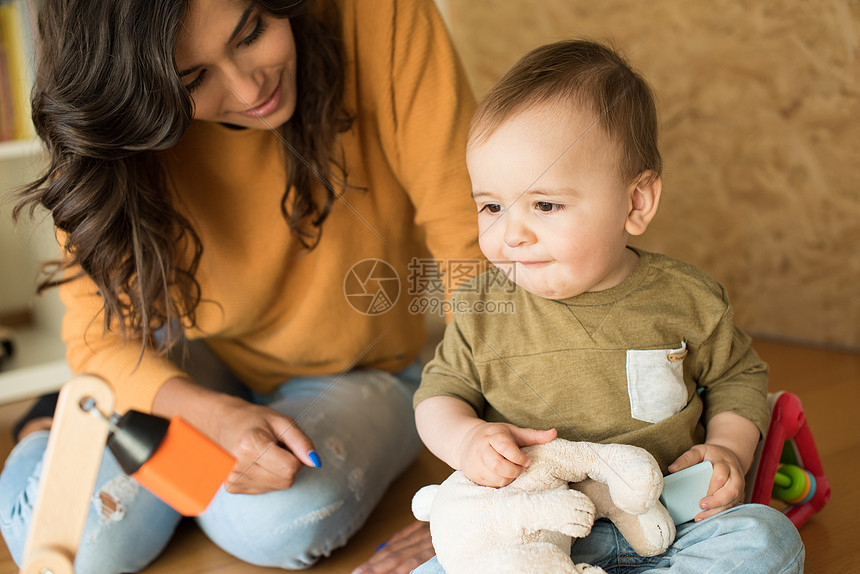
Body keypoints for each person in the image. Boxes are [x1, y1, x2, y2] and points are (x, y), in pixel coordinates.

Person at [0, 0, 482, 572]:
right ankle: (59, 420)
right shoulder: (107, 129)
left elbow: (473, 249)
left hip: (363, 365)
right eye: (191, 79)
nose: (251, 88)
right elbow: (98, 338)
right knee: (84, 545)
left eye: (251, 33)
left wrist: (474, 495)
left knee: (277, 523)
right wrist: (214, 418)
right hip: (192, 359)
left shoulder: (381, 14)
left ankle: (121, 432)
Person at [411, 40, 805, 573]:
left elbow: (739, 377)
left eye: (545, 204)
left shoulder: (686, 298)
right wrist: (467, 438)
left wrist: (728, 451)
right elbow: (438, 396)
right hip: (531, 529)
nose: (511, 234)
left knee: (766, 542)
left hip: (670, 520)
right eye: (492, 206)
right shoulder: (482, 309)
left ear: (635, 202)